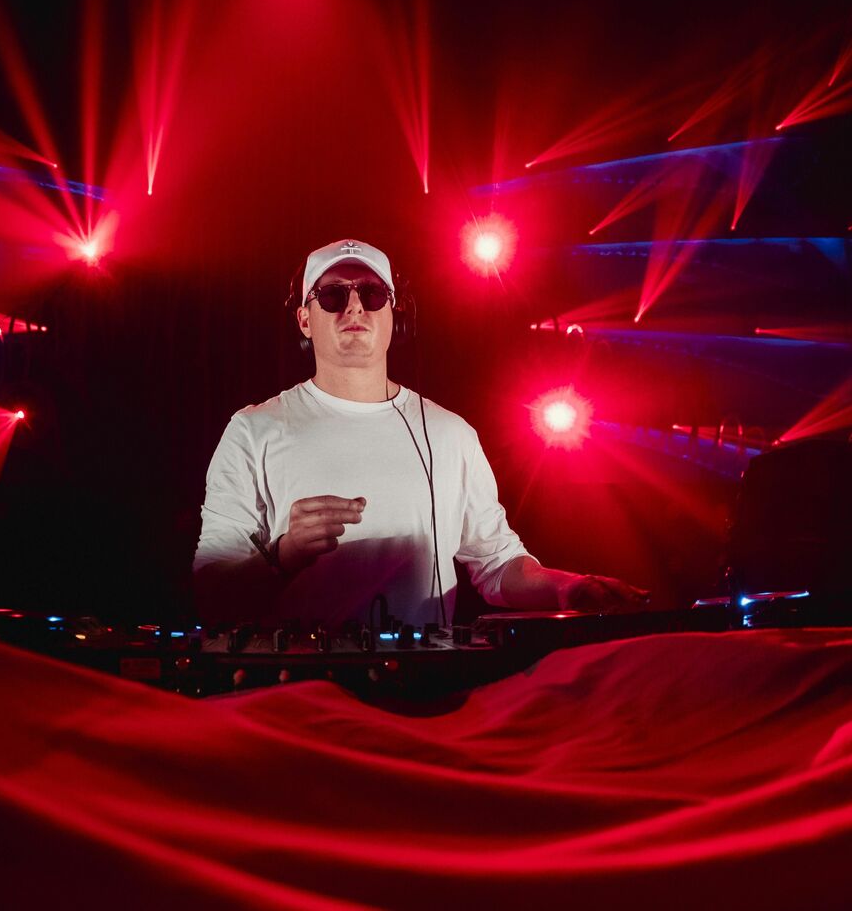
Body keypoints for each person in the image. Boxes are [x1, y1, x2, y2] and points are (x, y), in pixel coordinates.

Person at [193, 239, 647, 628]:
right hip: (300, 688)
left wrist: (568, 587)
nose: (354, 306)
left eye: (372, 294)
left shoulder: (450, 434)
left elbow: (497, 563)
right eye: (332, 295)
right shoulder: (254, 430)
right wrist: (283, 554)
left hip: (422, 687)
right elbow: (210, 591)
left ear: (396, 314)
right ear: (305, 320)